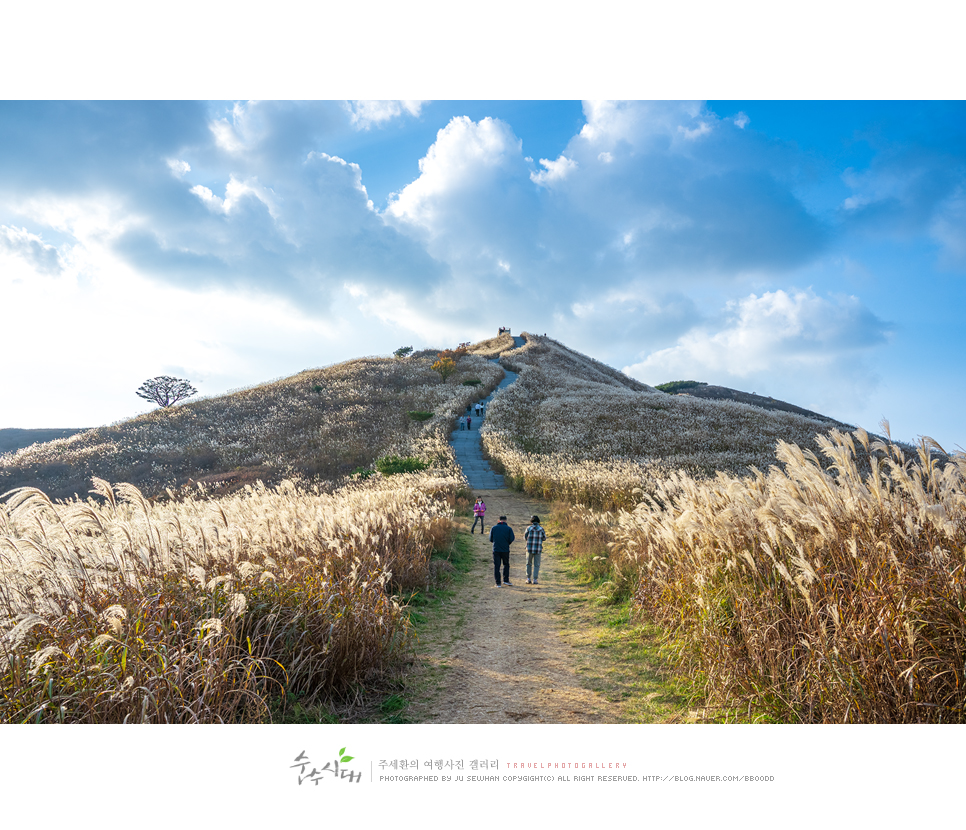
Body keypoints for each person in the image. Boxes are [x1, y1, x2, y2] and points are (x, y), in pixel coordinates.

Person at [489, 515, 515, 586]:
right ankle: (506, 580)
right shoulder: (509, 529)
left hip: (496, 549)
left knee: (497, 566)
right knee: (506, 564)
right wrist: (507, 543)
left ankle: (498, 583)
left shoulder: (494, 528)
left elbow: (490, 539)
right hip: (505, 549)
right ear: (506, 520)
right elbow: (511, 538)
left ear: (498, 520)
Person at [524, 515, 547, 585]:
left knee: (528, 564)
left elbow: (525, 537)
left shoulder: (528, 528)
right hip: (538, 549)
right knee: (536, 565)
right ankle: (535, 579)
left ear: (531, 521)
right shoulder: (541, 529)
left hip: (529, 549)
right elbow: (544, 538)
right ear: (538, 521)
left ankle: (528, 578)